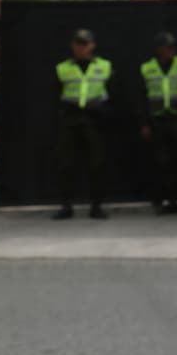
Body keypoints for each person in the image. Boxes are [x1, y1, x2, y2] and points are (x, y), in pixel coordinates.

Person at [138, 31, 177, 215]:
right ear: (158, 49)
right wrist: (144, 123)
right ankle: (171, 202)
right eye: (167, 47)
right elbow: (141, 98)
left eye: (172, 47)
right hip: (158, 120)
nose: (171, 50)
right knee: (164, 163)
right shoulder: (147, 68)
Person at [53, 29, 113, 220]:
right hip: (70, 121)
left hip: (94, 121)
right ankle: (66, 206)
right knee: (66, 164)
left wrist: (102, 111)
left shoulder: (105, 66)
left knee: (96, 164)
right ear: (72, 46)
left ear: (92, 45)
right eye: (78, 44)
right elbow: (54, 95)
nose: (81, 48)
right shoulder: (63, 68)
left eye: (85, 44)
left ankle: (96, 206)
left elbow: (113, 93)